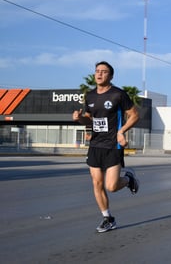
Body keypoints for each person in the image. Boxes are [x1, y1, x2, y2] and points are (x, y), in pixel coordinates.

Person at [72, 61, 140, 233]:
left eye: (104, 71)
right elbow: (89, 118)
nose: (99, 74)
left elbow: (134, 115)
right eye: (97, 71)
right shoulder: (90, 96)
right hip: (95, 144)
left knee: (111, 186)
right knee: (97, 183)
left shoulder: (118, 94)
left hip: (113, 144)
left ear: (111, 76)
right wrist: (80, 119)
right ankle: (108, 218)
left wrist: (122, 131)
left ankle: (128, 180)